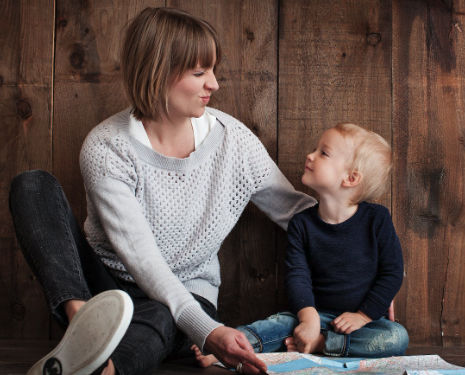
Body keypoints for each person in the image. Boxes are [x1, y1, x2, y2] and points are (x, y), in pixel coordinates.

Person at [9, 7, 315, 375]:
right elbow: (142, 259)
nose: (214, 84)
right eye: (200, 73)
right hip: (105, 289)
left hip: (187, 295)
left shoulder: (234, 142)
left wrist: (372, 267)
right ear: (157, 72)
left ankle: (99, 367)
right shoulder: (107, 147)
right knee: (32, 186)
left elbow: (297, 213)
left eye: (213, 71)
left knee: (167, 313)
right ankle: (83, 327)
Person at [193, 123, 408, 366]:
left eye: (323, 153)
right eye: (315, 149)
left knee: (396, 338)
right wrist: (308, 319)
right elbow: (297, 276)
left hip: (361, 324)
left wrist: (363, 315)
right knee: (276, 325)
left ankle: (322, 345)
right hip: (314, 314)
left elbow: (391, 272)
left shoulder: (377, 219)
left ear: (351, 178)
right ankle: (225, 349)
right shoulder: (302, 224)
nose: (310, 155)